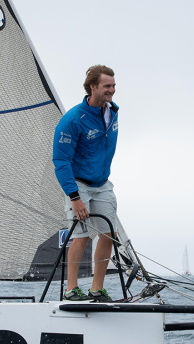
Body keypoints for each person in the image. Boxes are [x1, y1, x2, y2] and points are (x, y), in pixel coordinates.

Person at [52, 65, 121, 302]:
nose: (112, 90)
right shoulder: (72, 120)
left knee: (109, 234)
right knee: (81, 235)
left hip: (102, 183)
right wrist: (74, 198)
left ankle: (96, 289)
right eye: (107, 86)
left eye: (114, 85)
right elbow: (60, 161)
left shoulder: (113, 111)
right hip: (78, 184)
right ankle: (71, 289)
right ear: (93, 87)